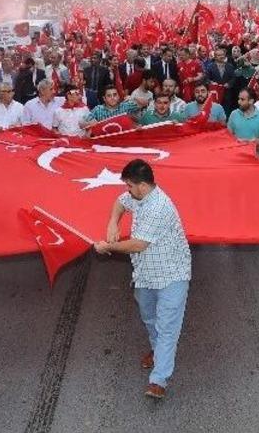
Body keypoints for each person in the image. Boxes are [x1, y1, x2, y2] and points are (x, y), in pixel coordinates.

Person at [93, 159, 191, 400]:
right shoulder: (137, 196)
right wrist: (112, 222)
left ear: (143, 186)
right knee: (149, 318)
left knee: (167, 328)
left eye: (129, 186)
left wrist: (109, 246)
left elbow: (138, 244)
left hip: (172, 275)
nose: (127, 190)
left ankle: (159, 380)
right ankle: (158, 352)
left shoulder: (159, 207)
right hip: (146, 273)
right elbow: (119, 202)